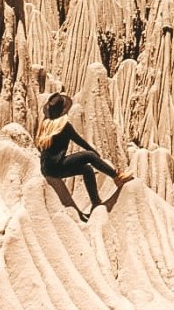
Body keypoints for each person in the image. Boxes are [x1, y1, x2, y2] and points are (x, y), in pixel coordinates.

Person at [36, 92, 133, 220]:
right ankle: (117, 176)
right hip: (56, 167)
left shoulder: (46, 125)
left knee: (86, 169)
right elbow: (80, 142)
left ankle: (95, 203)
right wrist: (94, 154)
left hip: (47, 168)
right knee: (89, 156)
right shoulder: (64, 126)